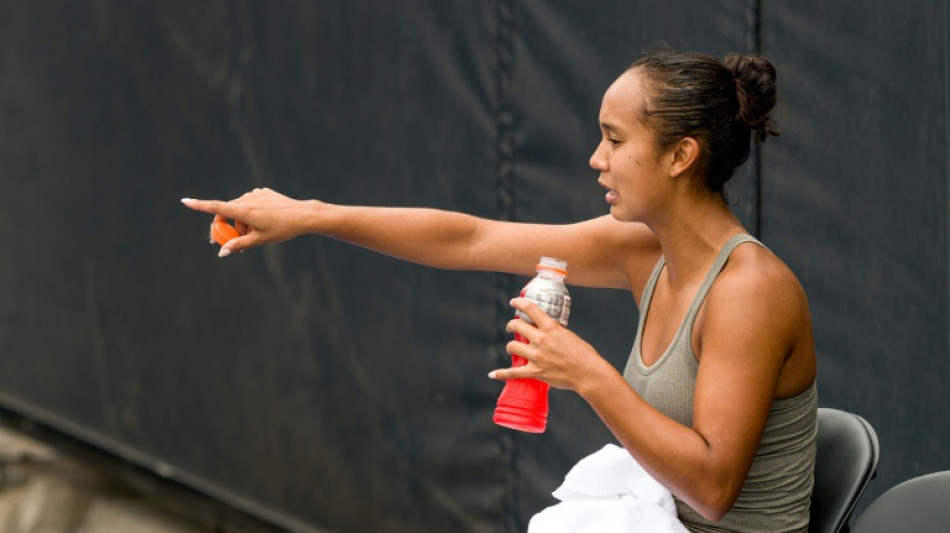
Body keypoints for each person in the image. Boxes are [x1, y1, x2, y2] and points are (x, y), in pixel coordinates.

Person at [182, 49, 817, 533]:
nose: (596, 158)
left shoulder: (748, 292)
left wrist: (589, 373)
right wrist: (309, 216)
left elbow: (712, 488)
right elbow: (471, 239)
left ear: (681, 156)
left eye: (616, 140)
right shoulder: (644, 248)